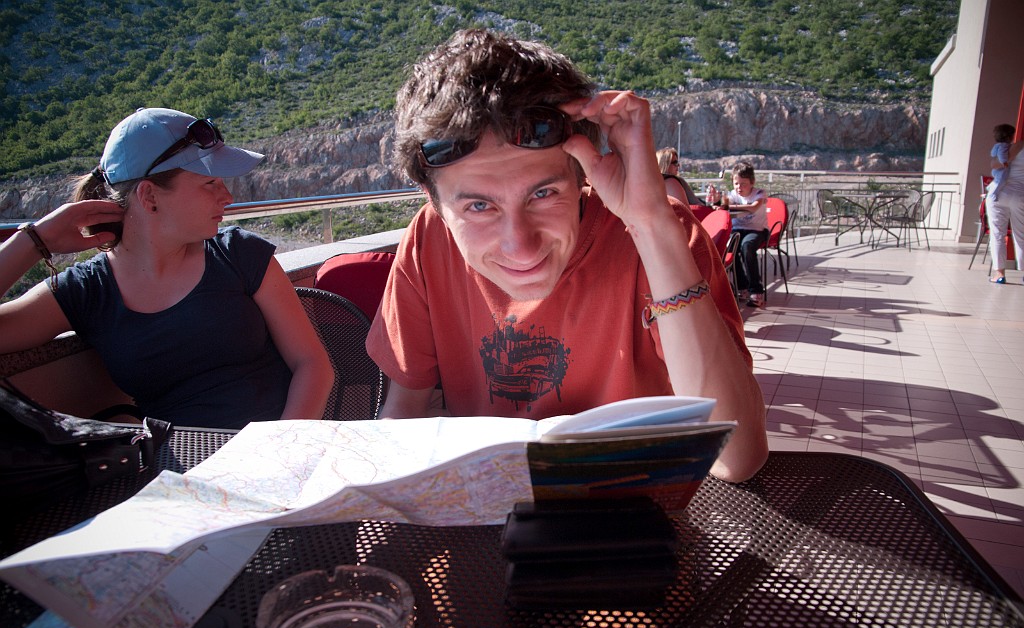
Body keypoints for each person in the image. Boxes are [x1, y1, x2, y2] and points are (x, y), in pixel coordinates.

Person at [366, 29, 767, 482]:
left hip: (628, 508)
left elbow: (737, 458)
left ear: (580, 177)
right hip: (482, 508)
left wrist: (651, 225)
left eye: (543, 194)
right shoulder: (429, 239)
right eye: (479, 206)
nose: (521, 246)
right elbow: (402, 412)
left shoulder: (660, 234)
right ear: (434, 201)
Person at [0, 107, 334, 429]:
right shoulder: (88, 290)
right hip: (180, 463)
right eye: (210, 183)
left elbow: (312, 364)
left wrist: (281, 446)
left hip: (280, 447)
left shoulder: (237, 254)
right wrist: (33, 241)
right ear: (150, 197)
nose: (227, 197)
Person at [714, 162, 768, 307]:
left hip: (757, 230)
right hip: (738, 229)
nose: (739, 187)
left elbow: (753, 208)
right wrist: (718, 201)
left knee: (747, 246)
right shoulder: (732, 195)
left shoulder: (759, 193)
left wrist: (729, 206)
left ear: (752, 182)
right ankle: (741, 286)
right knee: (730, 248)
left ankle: (756, 291)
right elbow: (723, 206)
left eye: (743, 184)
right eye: (736, 183)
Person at [985, 124, 1024, 284]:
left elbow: (994, 164)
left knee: (997, 234)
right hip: (1020, 195)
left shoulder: (1005, 148)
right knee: (1021, 235)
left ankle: (999, 273)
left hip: (998, 193)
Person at [988, 123, 1015, 203]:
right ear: (1008, 137)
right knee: (1001, 181)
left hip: (996, 170)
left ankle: (991, 187)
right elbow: (1001, 154)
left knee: (998, 180)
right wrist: (1004, 162)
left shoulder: (998, 145)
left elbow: (993, 154)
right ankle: (994, 194)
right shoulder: (1004, 145)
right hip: (1002, 170)